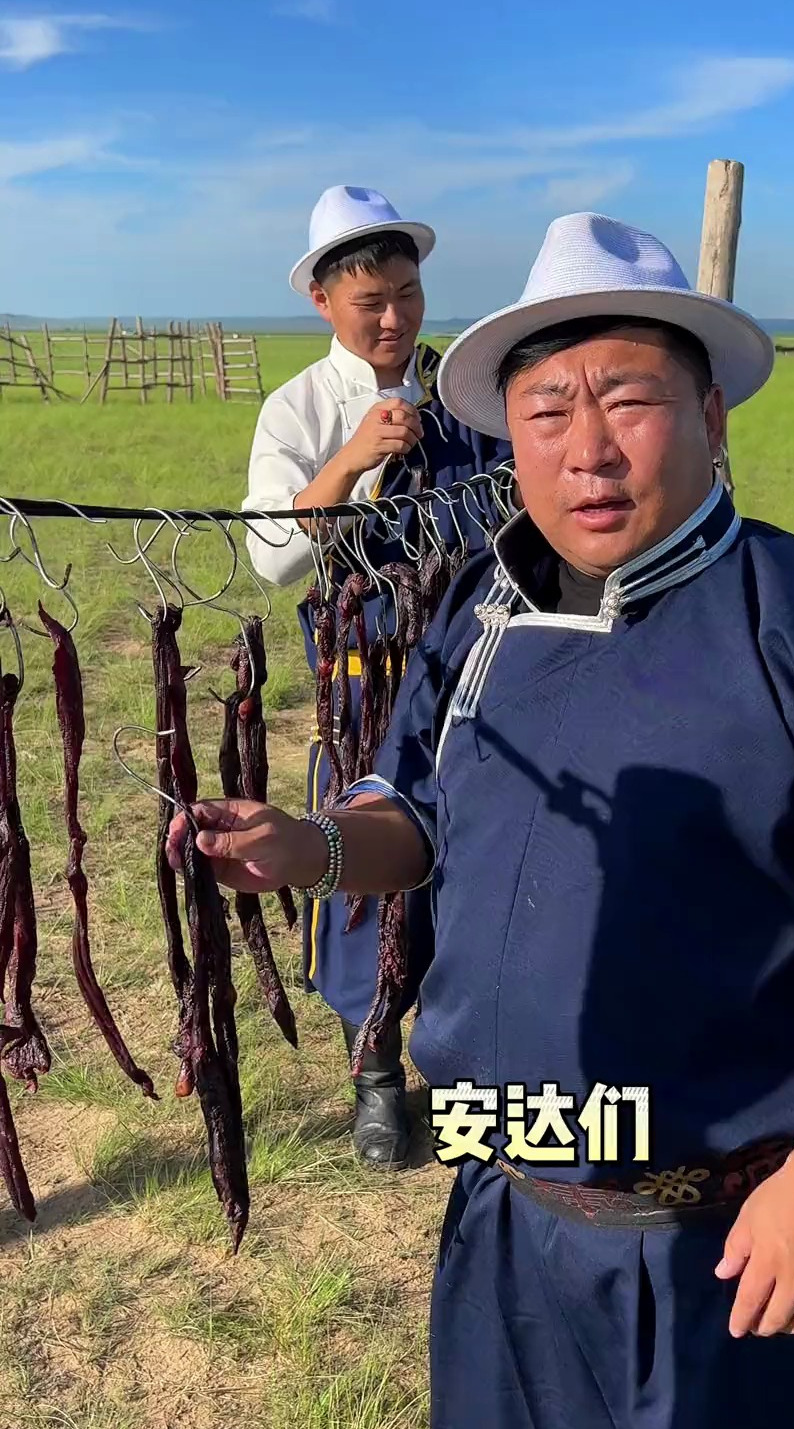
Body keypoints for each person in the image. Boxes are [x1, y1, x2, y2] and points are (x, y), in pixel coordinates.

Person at [176, 212, 794, 1429]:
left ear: (712, 415)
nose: (589, 451)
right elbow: (415, 803)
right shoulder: (478, 607)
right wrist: (314, 846)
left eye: (629, 400)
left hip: (730, 1228)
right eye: (548, 412)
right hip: (507, 1210)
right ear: (511, 434)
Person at [241, 185, 510, 1169]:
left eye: (407, 293)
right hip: (361, 688)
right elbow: (271, 556)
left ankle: (470, 1060)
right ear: (323, 302)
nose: (394, 318)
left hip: (473, 675)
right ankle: (376, 1076)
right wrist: (352, 460)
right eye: (371, 303)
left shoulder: (466, 394)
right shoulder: (300, 409)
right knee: (360, 876)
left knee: (476, 865)